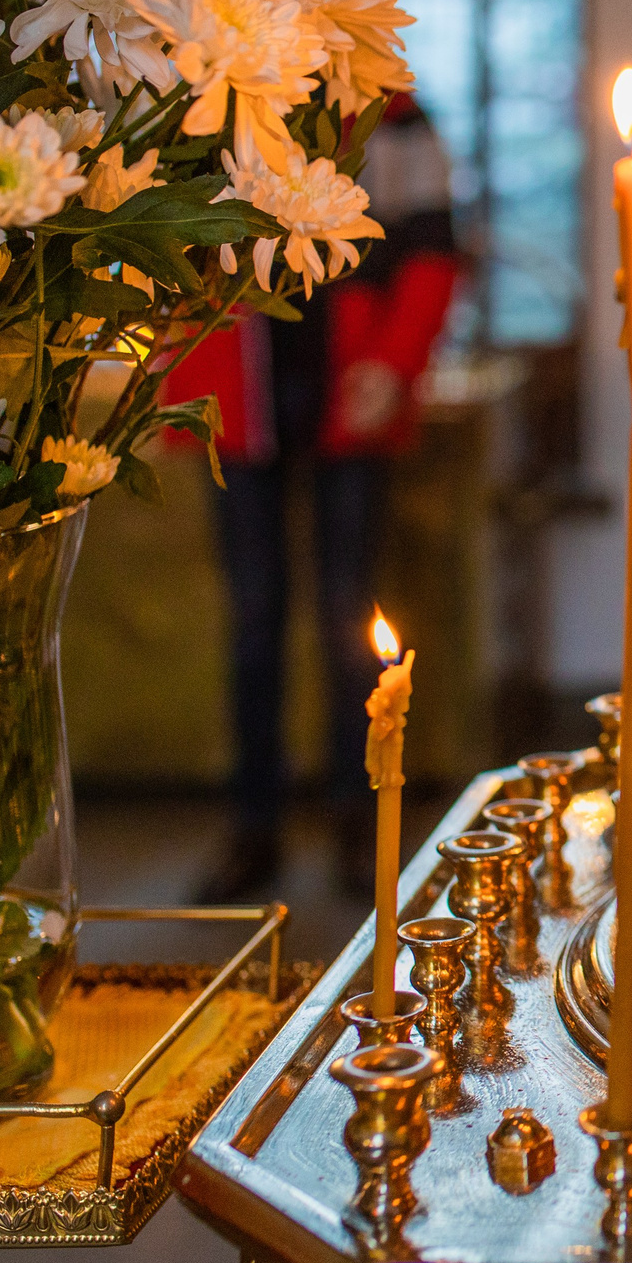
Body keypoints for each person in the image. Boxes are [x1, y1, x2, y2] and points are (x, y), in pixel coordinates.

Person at [173, 95, 461, 901]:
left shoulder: (394, 116)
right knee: (252, 616)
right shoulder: (210, 104)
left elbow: (434, 253)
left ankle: (359, 820)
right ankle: (253, 825)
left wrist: (396, 361)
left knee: (349, 612)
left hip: (353, 382)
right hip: (237, 386)